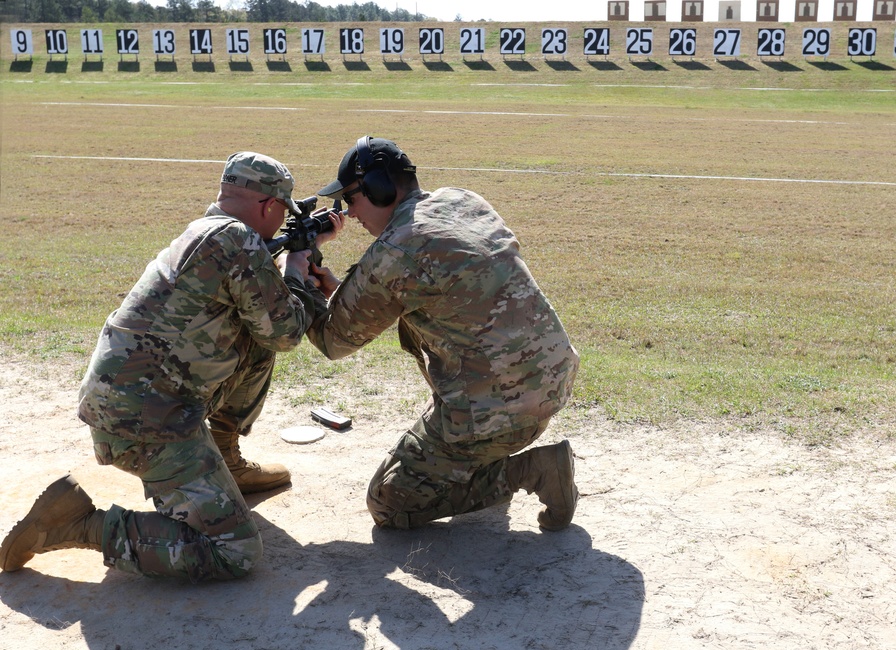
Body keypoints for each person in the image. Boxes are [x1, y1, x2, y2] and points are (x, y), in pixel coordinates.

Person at [0, 152, 341, 580]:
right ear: (270, 206)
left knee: (255, 344)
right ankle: (74, 524)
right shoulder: (238, 241)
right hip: (145, 423)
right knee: (234, 551)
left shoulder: (210, 232)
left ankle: (224, 458)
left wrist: (295, 265)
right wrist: (297, 272)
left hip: (135, 402)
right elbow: (286, 331)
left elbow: (262, 325)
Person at [307, 136, 580, 531]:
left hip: (496, 412)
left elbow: (333, 341)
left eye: (352, 198)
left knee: (390, 503)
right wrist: (341, 290)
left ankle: (532, 471)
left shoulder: (396, 251)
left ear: (379, 189)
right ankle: (484, 457)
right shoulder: (462, 200)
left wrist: (297, 276)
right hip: (551, 381)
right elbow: (440, 293)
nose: (350, 213)